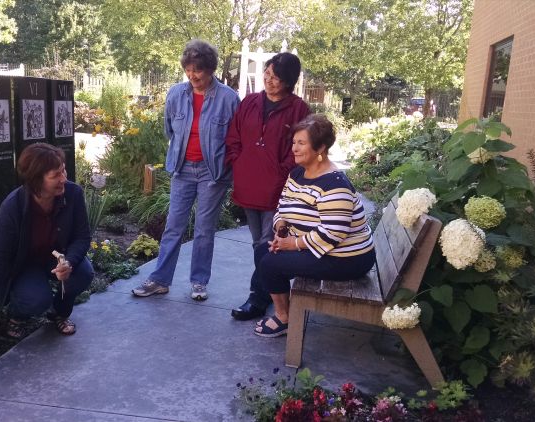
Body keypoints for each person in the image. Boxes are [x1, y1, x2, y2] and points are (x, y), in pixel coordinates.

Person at [132, 39, 240, 301]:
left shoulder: (228, 98)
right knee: (173, 226)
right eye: (188, 70)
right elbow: (170, 129)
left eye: (198, 70)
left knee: (204, 228)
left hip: (212, 173)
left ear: (210, 69)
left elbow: (236, 138)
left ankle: (199, 282)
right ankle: (159, 279)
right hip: (182, 169)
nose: (193, 76)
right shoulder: (176, 94)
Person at [252, 114, 376, 337]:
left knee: (271, 263)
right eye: (294, 143)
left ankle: (285, 318)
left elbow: (333, 234)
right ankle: (283, 308)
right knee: (263, 250)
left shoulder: (335, 185)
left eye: (301, 143)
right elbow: (283, 206)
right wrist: (280, 227)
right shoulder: (298, 173)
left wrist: (294, 244)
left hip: (348, 258)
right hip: (325, 249)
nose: (294, 149)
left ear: (320, 148)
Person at [0, 143, 94, 348]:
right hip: (26, 266)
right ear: (36, 180)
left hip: (57, 259)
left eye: (63, 170)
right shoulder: (13, 207)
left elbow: (82, 237)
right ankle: (16, 316)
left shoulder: (73, 194)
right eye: (55, 175)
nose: (64, 179)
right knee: (35, 299)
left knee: (83, 273)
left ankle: (59, 313)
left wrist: (68, 261)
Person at [225, 52, 310, 321]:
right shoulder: (249, 102)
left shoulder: (299, 109)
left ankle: (258, 298)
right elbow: (233, 137)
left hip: (279, 188)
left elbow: (300, 148)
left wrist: (280, 173)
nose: (269, 80)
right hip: (248, 183)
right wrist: (238, 163)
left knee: (267, 244)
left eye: (276, 77)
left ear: (289, 81)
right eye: (267, 74)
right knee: (257, 243)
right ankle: (276, 292)